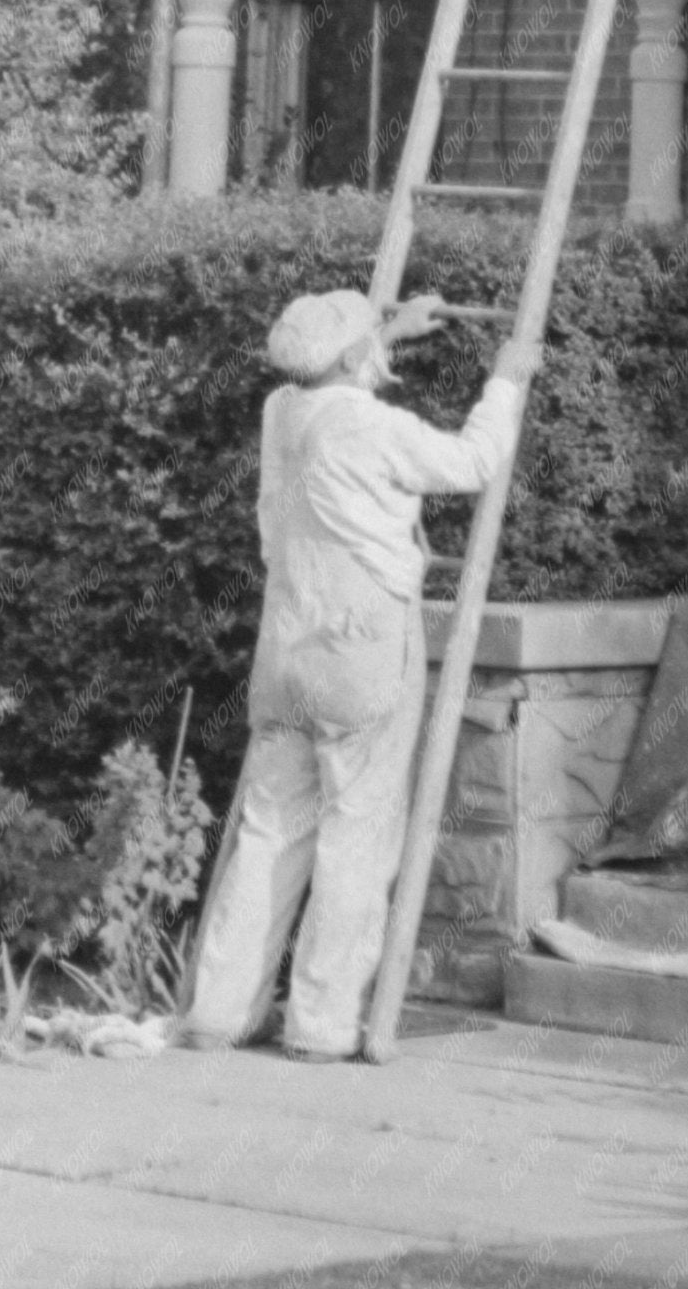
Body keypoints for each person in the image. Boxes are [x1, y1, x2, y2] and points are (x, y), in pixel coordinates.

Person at [184, 284, 534, 1062]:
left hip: (287, 645)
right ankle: (320, 1024)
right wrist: (506, 378)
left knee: (269, 828)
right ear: (350, 354)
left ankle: (217, 1011)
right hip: (363, 646)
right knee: (357, 834)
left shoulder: (282, 411)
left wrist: (392, 328)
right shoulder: (375, 426)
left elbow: (335, 367)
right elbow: (474, 461)